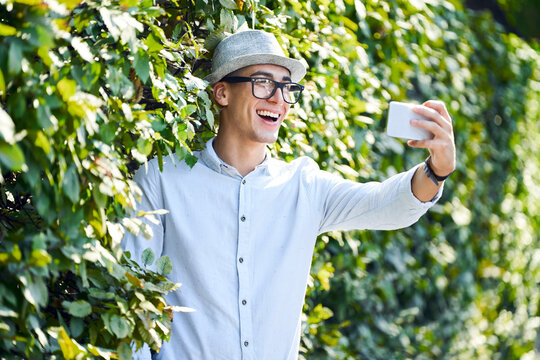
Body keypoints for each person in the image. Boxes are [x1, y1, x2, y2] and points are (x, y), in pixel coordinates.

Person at [122, 30, 456, 360]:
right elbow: (131, 302)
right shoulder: (161, 180)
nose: (279, 99)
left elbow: (385, 205)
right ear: (222, 93)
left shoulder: (304, 185)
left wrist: (436, 170)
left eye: (287, 87)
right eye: (263, 83)